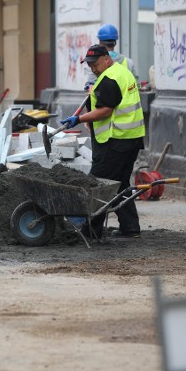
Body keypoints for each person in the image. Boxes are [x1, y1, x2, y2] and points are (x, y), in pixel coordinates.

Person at [62, 44, 145, 238]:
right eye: (89, 64)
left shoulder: (109, 79)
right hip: (131, 138)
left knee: (98, 185)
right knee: (120, 183)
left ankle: (91, 230)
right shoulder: (121, 73)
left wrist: (79, 119)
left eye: (95, 63)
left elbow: (105, 110)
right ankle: (130, 227)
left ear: (107, 58)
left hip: (114, 141)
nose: (92, 68)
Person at [84, 24, 137, 89]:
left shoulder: (95, 62)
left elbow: (90, 86)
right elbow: (135, 85)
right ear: (115, 42)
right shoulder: (129, 62)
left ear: (100, 42)